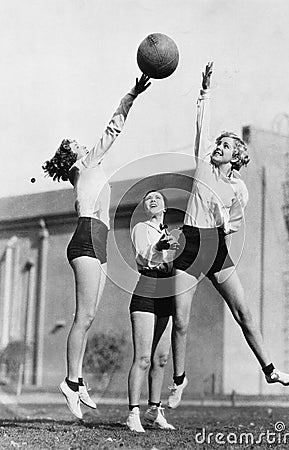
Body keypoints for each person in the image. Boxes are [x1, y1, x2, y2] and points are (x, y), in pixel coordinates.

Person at [168, 62, 289, 409]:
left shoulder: (239, 188)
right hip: (191, 244)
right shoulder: (202, 165)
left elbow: (235, 221)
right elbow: (202, 127)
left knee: (244, 314)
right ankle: (179, 380)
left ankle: (270, 370)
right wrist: (205, 91)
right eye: (219, 143)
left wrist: (223, 229)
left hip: (217, 246)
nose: (218, 147)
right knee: (181, 321)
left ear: (237, 155)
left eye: (225, 145)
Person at [42, 74, 151, 419]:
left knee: (88, 318)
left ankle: (78, 379)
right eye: (76, 143)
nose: (83, 144)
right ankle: (71, 383)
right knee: (84, 316)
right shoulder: (85, 165)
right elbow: (113, 128)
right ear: (72, 156)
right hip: (87, 237)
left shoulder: (87, 169)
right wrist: (132, 94)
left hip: (97, 240)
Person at [126, 190, 179, 432]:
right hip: (147, 286)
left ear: (165, 207)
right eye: (148, 199)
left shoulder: (171, 233)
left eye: (158, 197)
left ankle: (155, 412)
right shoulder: (140, 228)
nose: (153, 200)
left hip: (167, 291)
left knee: (161, 358)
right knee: (143, 358)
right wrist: (159, 246)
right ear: (146, 207)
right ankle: (133, 413)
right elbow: (143, 256)